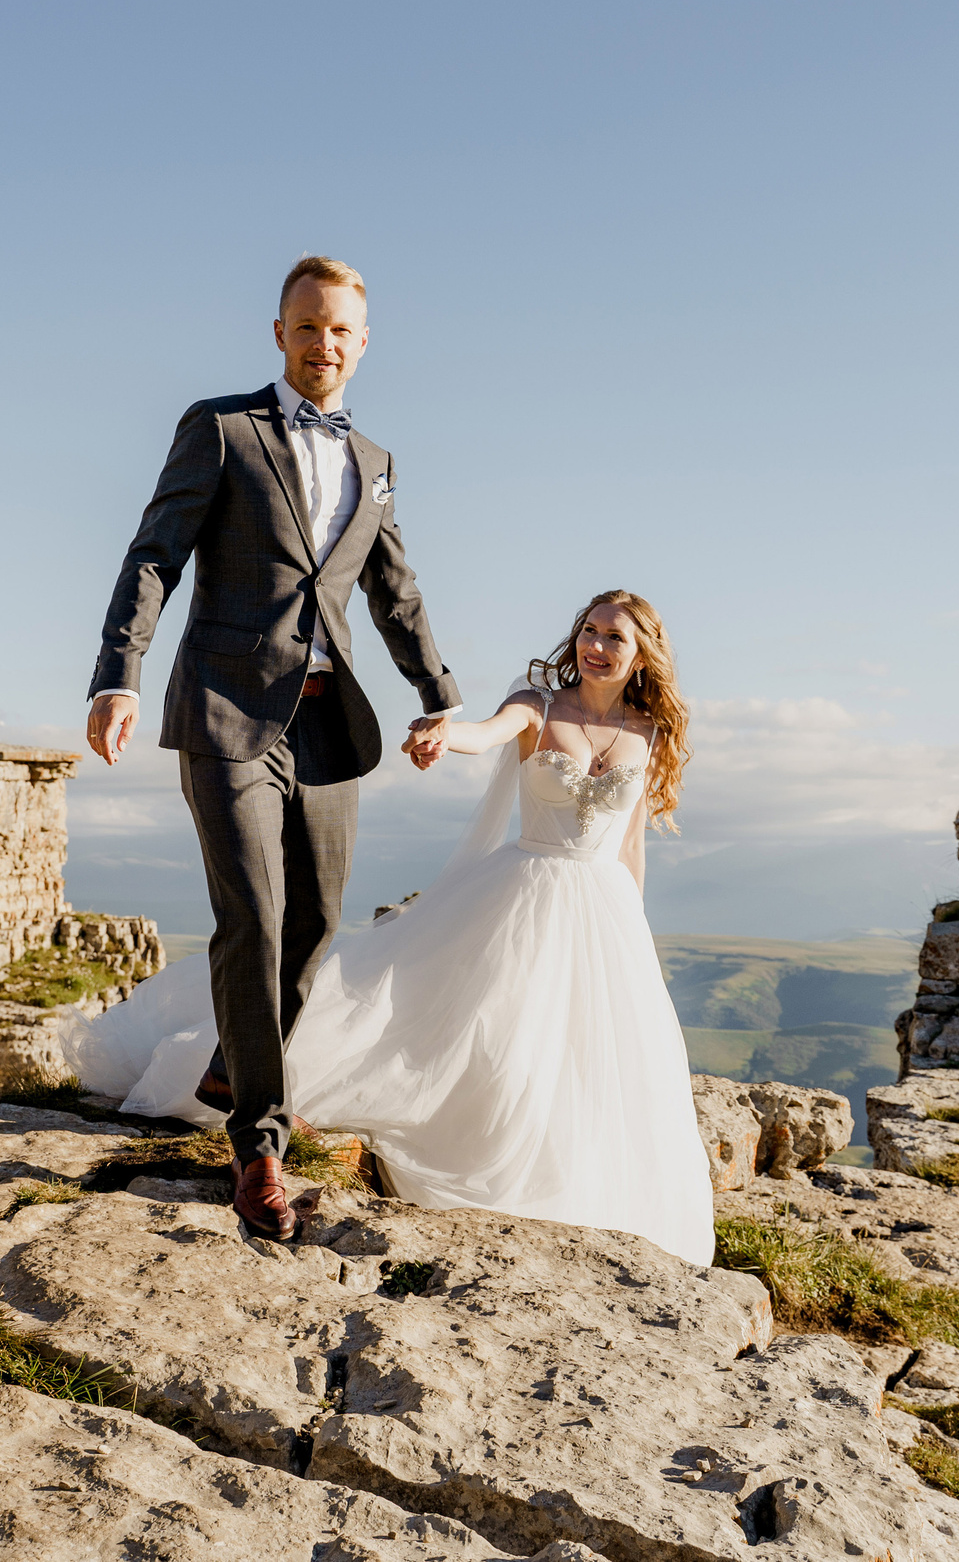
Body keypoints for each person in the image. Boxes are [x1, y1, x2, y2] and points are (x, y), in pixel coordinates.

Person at [69, 591, 715, 1268]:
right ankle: (250, 1072)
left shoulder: (649, 731)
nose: (596, 645)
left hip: (603, 911)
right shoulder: (540, 704)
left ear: (642, 651)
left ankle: (576, 1178)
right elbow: (489, 731)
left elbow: (631, 843)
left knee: (586, 1055)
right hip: (525, 892)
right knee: (465, 1031)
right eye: (588, 629)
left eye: (614, 636)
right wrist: (442, 734)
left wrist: (633, 940)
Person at [85, 255, 461, 1242]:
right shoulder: (221, 428)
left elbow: (395, 595)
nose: (322, 344)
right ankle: (257, 1143)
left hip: (327, 723)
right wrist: (118, 673)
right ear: (279, 331)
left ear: (362, 342)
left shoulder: (375, 462)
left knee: (316, 921)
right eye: (306, 326)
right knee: (251, 914)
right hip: (221, 708)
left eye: (340, 329)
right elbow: (153, 555)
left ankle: (233, 1062)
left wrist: (439, 698)